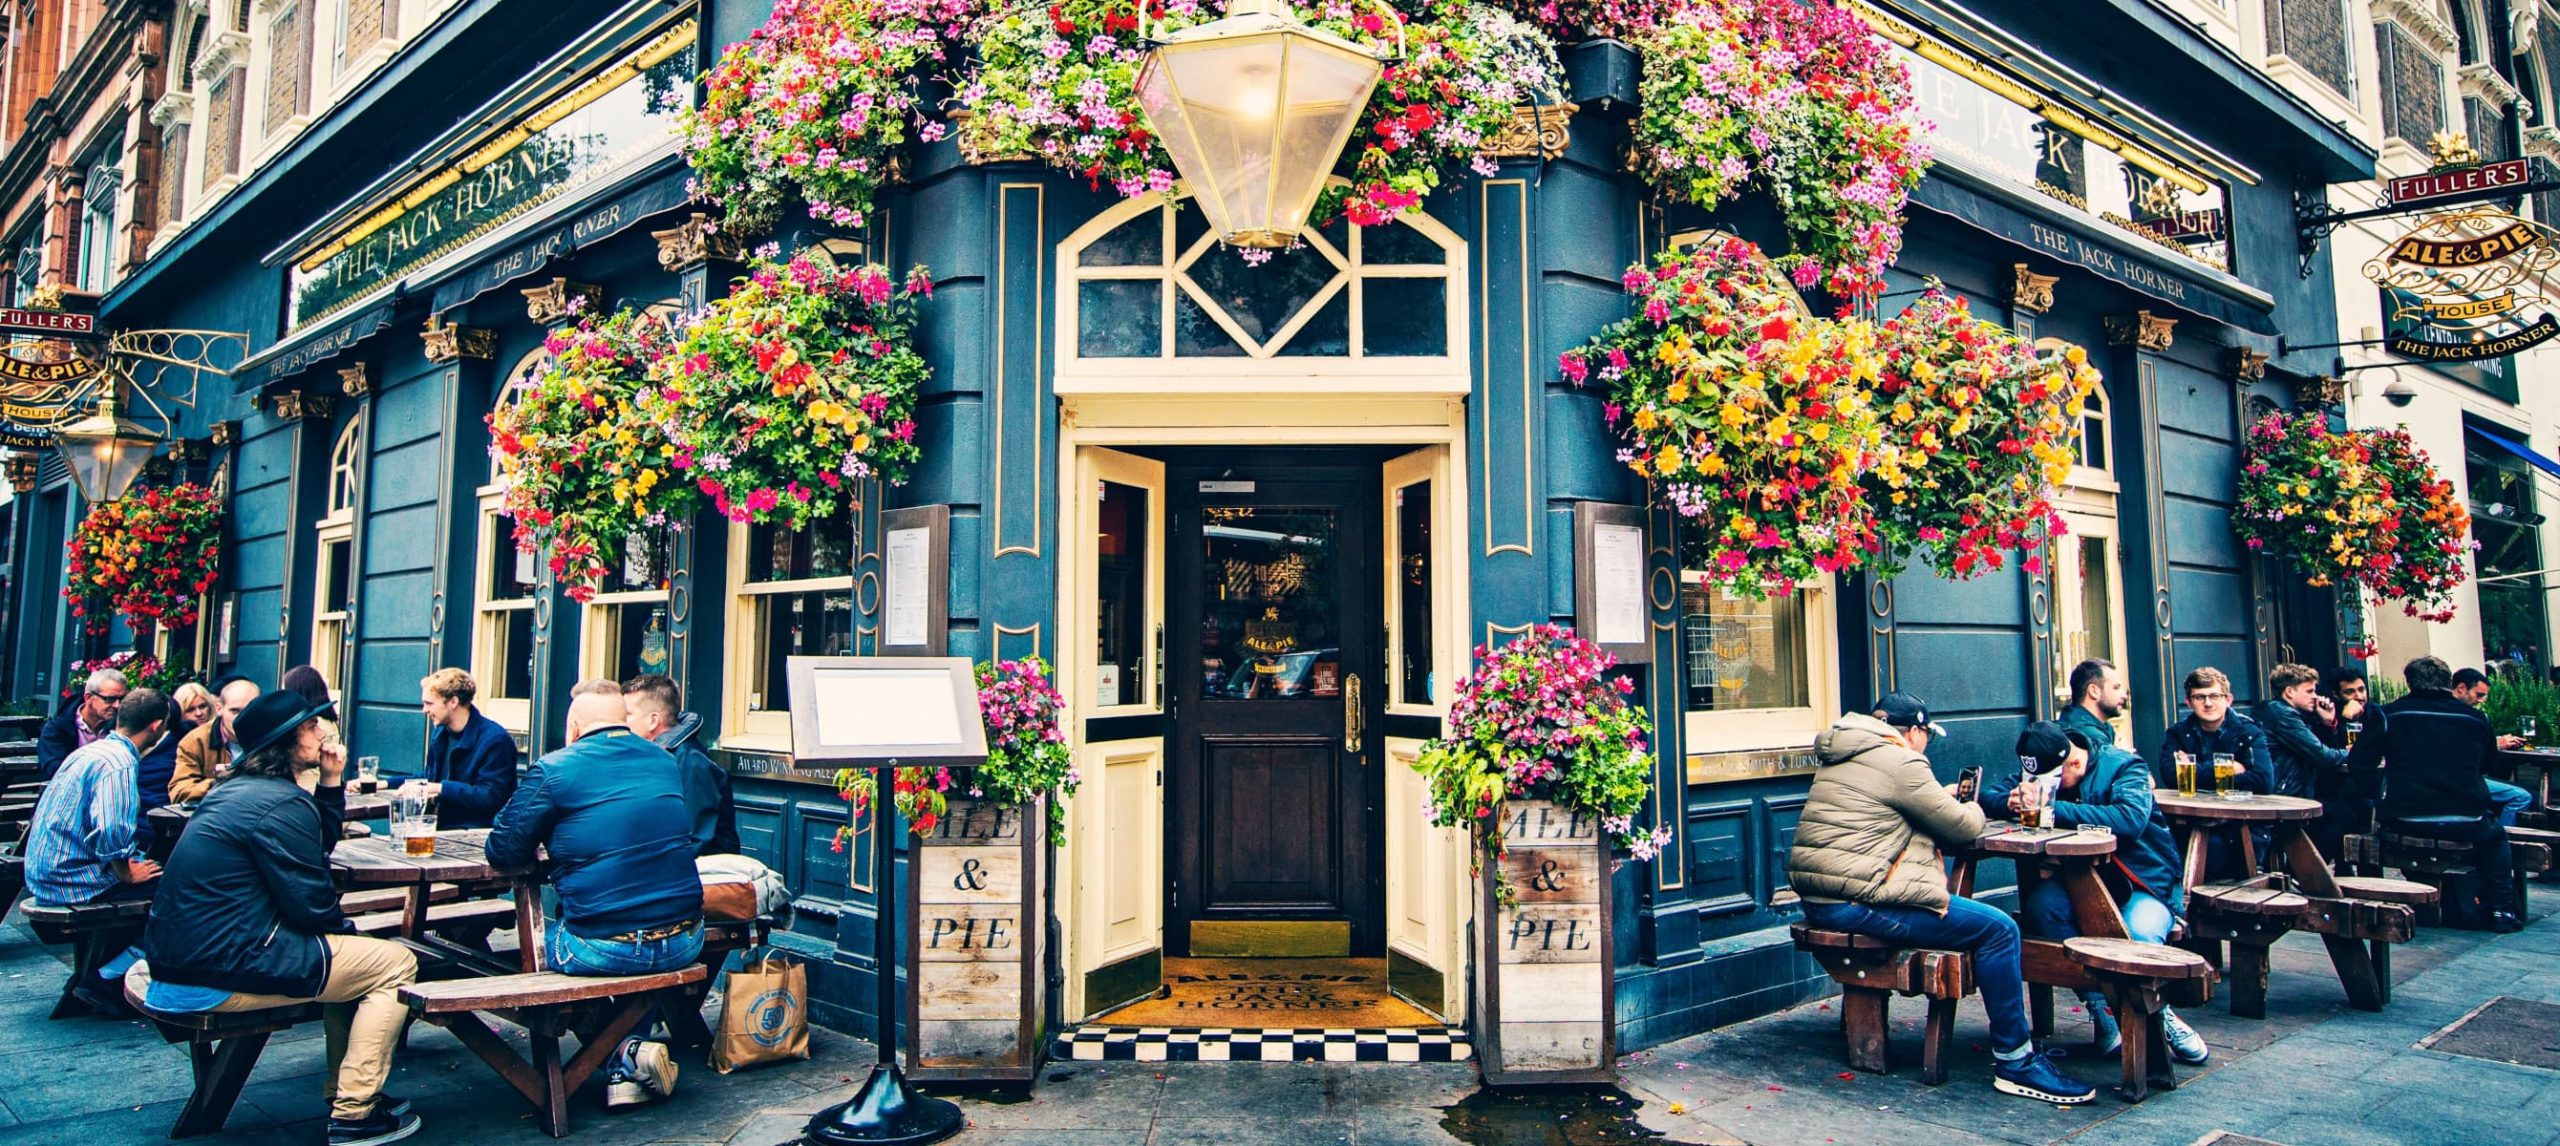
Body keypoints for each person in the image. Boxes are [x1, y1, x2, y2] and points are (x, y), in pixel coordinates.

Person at [139, 689, 424, 1145]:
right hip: (216, 969)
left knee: (357, 959)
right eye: (310, 726)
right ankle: (353, 1115)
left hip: (184, 958)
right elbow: (312, 906)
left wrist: (331, 782)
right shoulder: (278, 801)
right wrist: (347, 934)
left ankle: (346, 1094)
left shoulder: (244, 791)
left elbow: (314, 848)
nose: (322, 731)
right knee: (394, 963)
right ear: (285, 741)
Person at [1787, 692, 2095, 1105]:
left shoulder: (1843, 751)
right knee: (2000, 930)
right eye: (1927, 735)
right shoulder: (1901, 761)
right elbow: (1963, 829)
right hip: (1858, 902)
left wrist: (1935, 799)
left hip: (1822, 896)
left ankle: (2015, 1053)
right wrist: (1966, 803)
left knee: (1984, 925)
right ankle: (2016, 1062)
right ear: (1913, 732)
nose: (1927, 743)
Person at [489, 690, 701, 1107]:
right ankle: (627, 1066)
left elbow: (503, 849)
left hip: (605, 948)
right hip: (686, 939)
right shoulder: (664, 760)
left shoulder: (554, 769)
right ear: (624, 721)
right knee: (618, 930)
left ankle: (625, 1053)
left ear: (573, 728)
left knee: (513, 956)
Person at [1980, 721, 2207, 1067]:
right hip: (2078, 881)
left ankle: (2160, 1015)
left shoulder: (2124, 767)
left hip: (2142, 882)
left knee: (2138, 936)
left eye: (2050, 783)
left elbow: (2129, 819)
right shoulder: (2044, 765)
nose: (2040, 787)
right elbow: (1990, 794)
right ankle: (2102, 1009)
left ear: (2073, 763)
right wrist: (2009, 802)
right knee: (2042, 909)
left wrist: (2052, 810)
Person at [24, 688, 172, 1017]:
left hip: (45, 870)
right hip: (69, 879)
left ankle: (109, 971)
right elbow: (110, 831)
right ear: (156, 726)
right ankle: (107, 978)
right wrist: (125, 871)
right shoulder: (118, 764)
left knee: (159, 878)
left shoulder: (94, 750)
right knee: (179, 894)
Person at [2360, 656, 2522, 932]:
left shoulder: (2387, 714)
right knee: (2496, 838)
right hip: (2466, 818)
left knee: (2372, 831)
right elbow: (2489, 765)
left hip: (2406, 815)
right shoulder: (2475, 718)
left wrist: (2380, 795)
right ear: (2449, 683)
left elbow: (2360, 764)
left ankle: (2374, 912)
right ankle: (2501, 909)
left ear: (2409, 682)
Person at [2160, 667, 2274, 878]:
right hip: (2188, 823)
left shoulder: (2249, 732)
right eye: (2199, 697)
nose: (2208, 703)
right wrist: (2227, 768)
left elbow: (2263, 780)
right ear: (2189, 701)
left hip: (2240, 825)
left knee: (2215, 858)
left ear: (2228, 699)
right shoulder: (2177, 733)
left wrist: (2193, 770)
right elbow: (2170, 776)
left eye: (2214, 696)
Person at [621, 674, 738, 857]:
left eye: (627, 715)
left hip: (697, 875)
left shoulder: (691, 762)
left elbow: (694, 839)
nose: (621, 722)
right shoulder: (645, 755)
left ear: (653, 720)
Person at [418, 668, 518, 831]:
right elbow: (428, 778)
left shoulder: (495, 740)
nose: (424, 710)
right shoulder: (441, 734)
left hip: (477, 835)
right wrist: (383, 783)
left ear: (453, 702)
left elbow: (490, 797)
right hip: (440, 830)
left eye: (429, 703)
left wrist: (440, 788)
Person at [2450, 667, 2538, 828]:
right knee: (2524, 796)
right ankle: (2503, 840)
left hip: (2450, 781)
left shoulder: (2457, 713)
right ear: (2461, 689)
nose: (2481, 701)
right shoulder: (2466, 716)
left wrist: (2496, 741)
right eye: (2479, 695)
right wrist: (2496, 745)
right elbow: (2462, 752)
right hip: (2461, 781)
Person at [2259, 664, 2348, 801]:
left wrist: (2327, 722)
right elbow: (2323, 756)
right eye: (2309, 691)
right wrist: (2356, 752)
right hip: (2283, 799)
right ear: (2289, 692)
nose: (2315, 697)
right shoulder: (2284, 714)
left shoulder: (2290, 712)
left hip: (2291, 795)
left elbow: (2319, 748)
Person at [170, 677, 259, 805]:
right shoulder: (195, 741)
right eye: (235, 711)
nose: (241, 718)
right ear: (219, 709)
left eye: (248, 711)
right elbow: (178, 791)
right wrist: (216, 783)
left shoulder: (273, 736)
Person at [38, 667, 128, 780]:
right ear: (88, 697)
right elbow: (55, 769)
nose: (117, 705)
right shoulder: (57, 727)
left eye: (122, 699)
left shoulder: (122, 725)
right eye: (110, 699)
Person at [2060, 658, 2129, 750]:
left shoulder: (2102, 726)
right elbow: (2119, 762)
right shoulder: (2085, 734)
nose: (2124, 695)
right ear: (2093, 691)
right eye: (2116, 688)